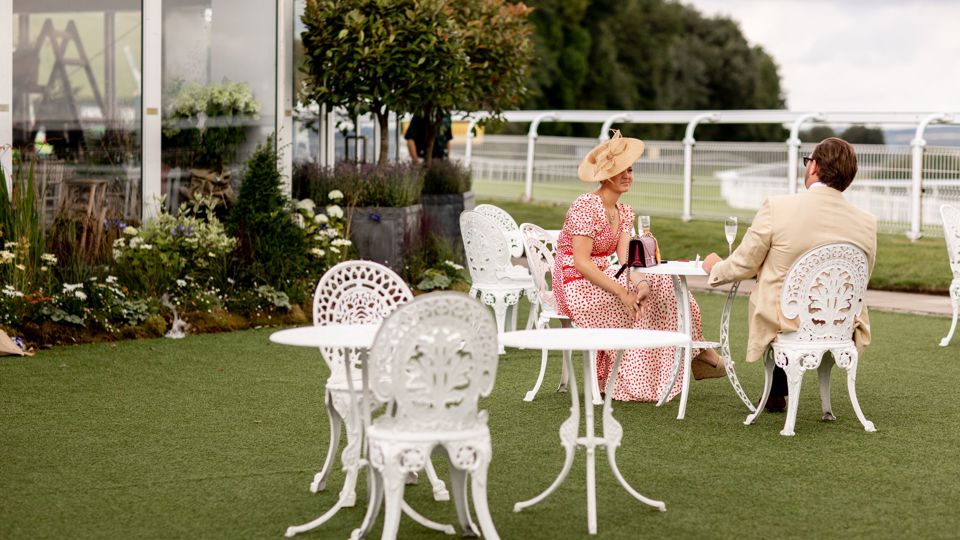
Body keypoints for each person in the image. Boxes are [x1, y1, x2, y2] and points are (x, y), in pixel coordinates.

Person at [702, 137, 877, 412]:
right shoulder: (867, 222)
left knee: (778, 284)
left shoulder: (778, 207)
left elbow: (745, 263)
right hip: (840, 321)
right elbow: (862, 276)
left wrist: (714, 268)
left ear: (814, 167)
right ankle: (777, 388)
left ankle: (776, 386)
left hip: (787, 318)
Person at [553, 130, 723, 403]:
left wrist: (641, 283)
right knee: (639, 298)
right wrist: (623, 292)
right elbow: (581, 263)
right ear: (606, 175)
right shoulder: (585, 206)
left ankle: (688, 354)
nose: (628, 175)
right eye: (621, 170)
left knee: (664, 285)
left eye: (630, 169)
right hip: (576, 285)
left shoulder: (624, 211)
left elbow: (626, 262)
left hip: (606, 275)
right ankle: (668, 368)